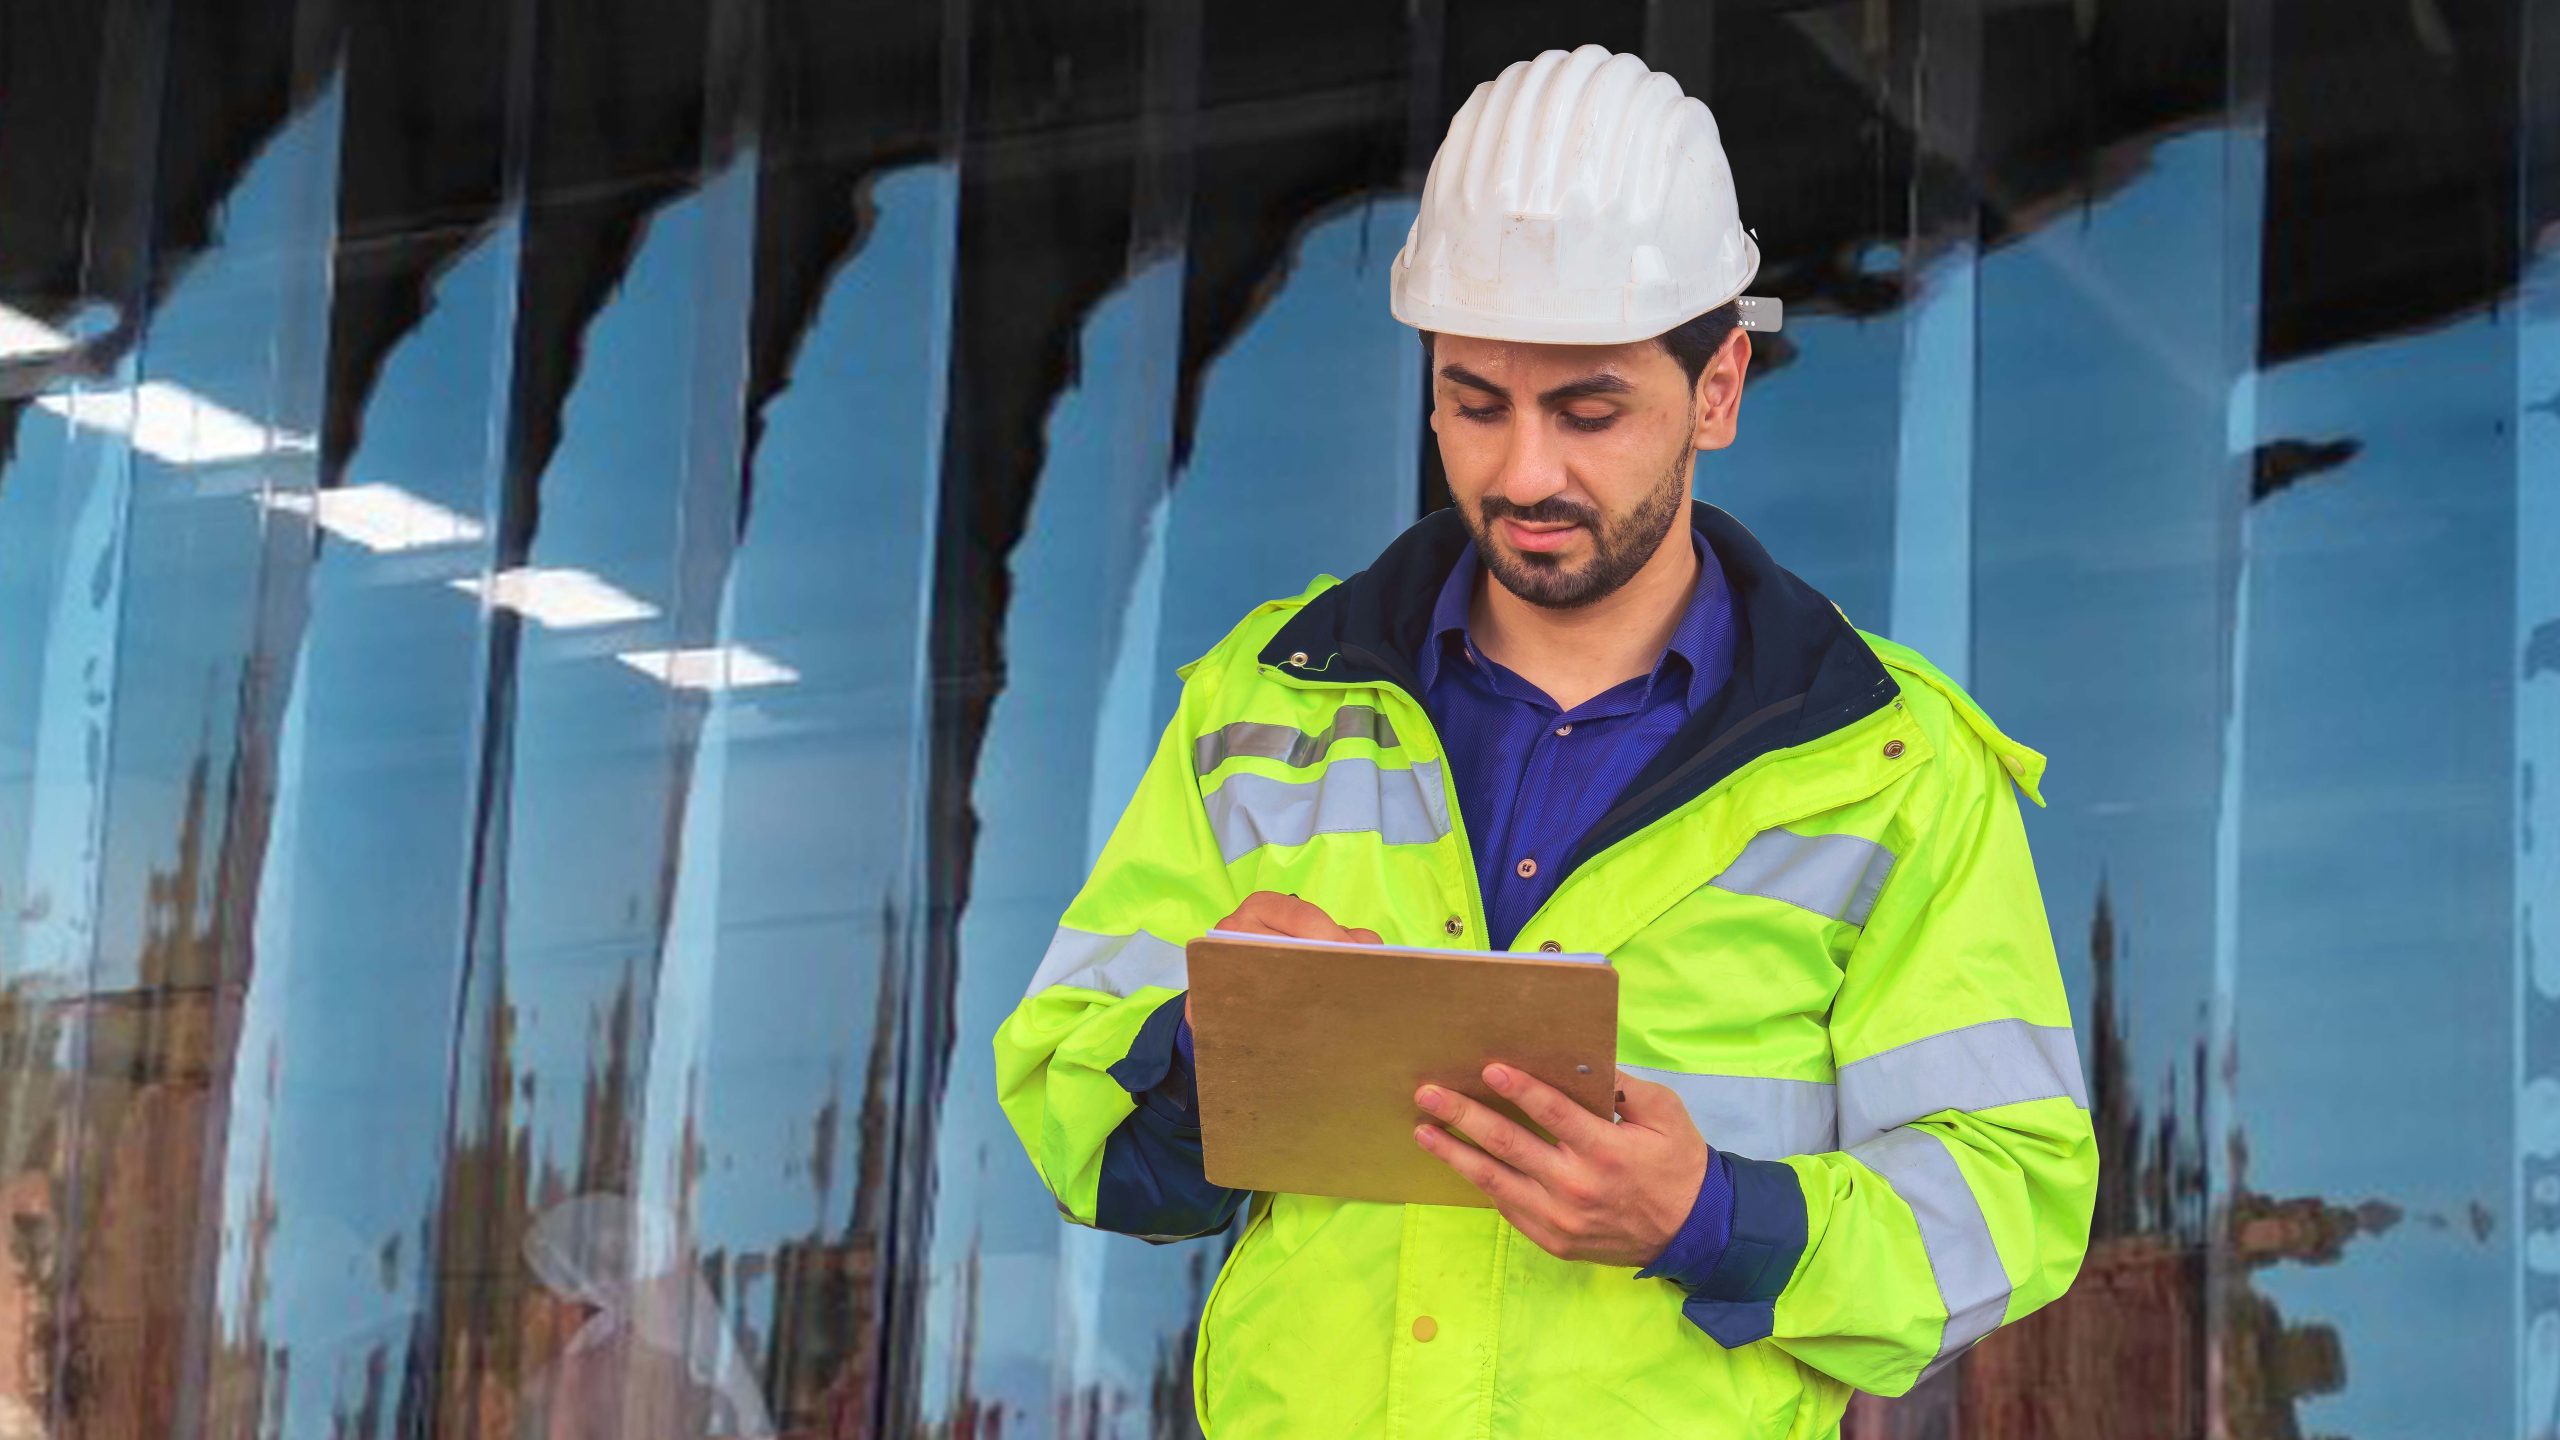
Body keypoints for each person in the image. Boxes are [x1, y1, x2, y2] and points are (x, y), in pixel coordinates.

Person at [994, 43, 2096, 1438]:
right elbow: (1074, 1122)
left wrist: (1714, 1216)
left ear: (1718, 388)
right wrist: (1214, 1046)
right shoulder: (1262, 710)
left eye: (1588, 411)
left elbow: (2014, 1201)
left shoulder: (1890, 769)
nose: (1523, 472)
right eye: (1474, 403)